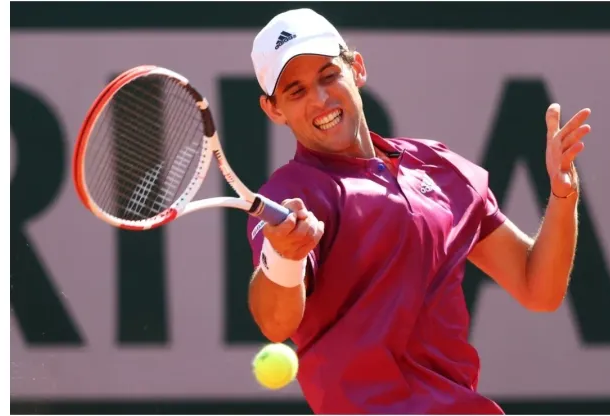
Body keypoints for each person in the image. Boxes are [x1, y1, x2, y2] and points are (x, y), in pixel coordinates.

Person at [246, 8, 590, 415]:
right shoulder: (290, 195)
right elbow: (275, 323)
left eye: (328, 75)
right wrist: (284, 256)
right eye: (296, 91)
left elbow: (539, 288)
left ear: (356, 68)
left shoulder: (440, 167)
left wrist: (563, 195)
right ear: (274, 110)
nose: (320, 100)